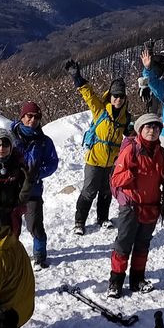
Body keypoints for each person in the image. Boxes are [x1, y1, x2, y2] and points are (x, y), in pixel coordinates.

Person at [107, 113, 164, 297]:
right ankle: (115, 282)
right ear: (140, 129)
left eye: (156, 128)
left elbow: (161, 175)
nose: (152, 131)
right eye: (148, 127)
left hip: (151, 206)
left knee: (142, 245)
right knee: (123, 245)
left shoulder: (160, 152)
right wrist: (132, 174)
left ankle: (137, 280)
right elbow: (115, 179)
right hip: (131, 206)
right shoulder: (131, 150)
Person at [66, 60, 132, 236]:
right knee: (89, 191)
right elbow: (88, 94)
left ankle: (103, 219)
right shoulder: (100, 110)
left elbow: (132, 134)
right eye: (115, 96)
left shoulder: (125, 117)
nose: (118, 99)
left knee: (106, 192)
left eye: (121, 96)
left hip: (112, 162)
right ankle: (79, 222)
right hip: (95, 159)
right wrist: (77, 77)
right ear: (110, 96)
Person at [10, 101, 59, 267]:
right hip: (11, 189)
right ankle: (9, 257)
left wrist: (37, 173)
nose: (33, 120)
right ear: (22, 117)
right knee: (9, 227)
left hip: (33, 190)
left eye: (36, 117)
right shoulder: (10, 137)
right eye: (29, 116)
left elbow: (52, 163)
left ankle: (39, 255)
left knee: (35, 225)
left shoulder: (44, 141)